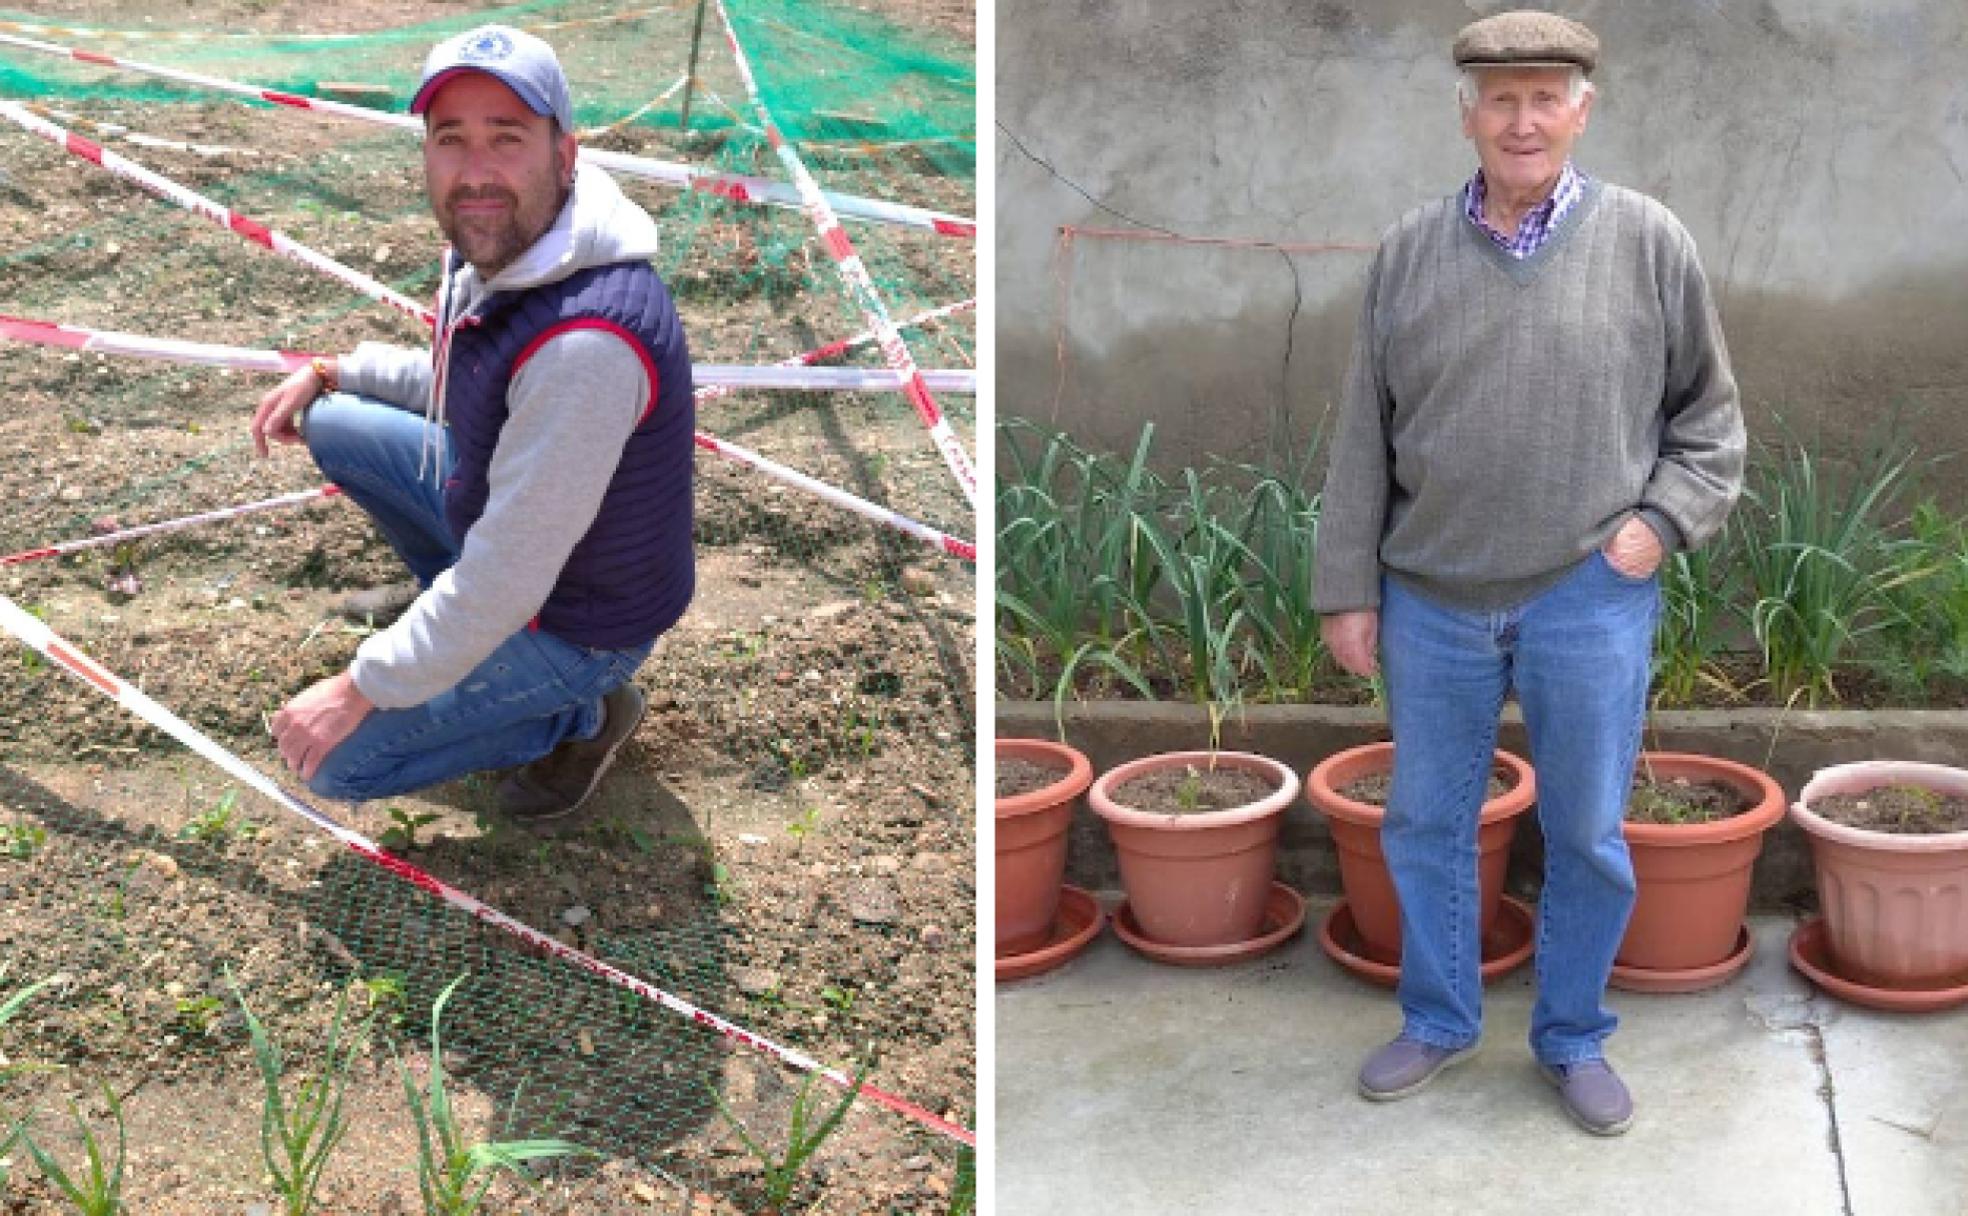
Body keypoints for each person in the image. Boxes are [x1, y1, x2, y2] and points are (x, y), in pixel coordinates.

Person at [1312, 11, 1745, 1136]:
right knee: (1425, 821)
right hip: (1434, 598)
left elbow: (1709, 421)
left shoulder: (1650, 241)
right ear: (1466, 113)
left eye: (1545, 96)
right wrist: (1346, 588)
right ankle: (1442, 1018)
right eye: (1500, 99)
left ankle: (1570, 1036)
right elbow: (1363, 433)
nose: (1523, 119)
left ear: (1581, 110)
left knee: (1591, 831)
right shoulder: (1408, 252)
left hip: (1585, 591)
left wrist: (1661, 523)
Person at [249, 24, 695, 821]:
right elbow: (471, 383)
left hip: (577, 620)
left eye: (507, 138)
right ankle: (448, 628)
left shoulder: (586, 345)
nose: (476, 171)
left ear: (565, 154)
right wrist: (333, 371)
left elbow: (506, 579)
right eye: (451, 139)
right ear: (425, 153)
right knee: (337, 422)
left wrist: (362, 684)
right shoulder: (507, 244)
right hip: (527, 553)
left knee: (338, 763)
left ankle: (581, 714)